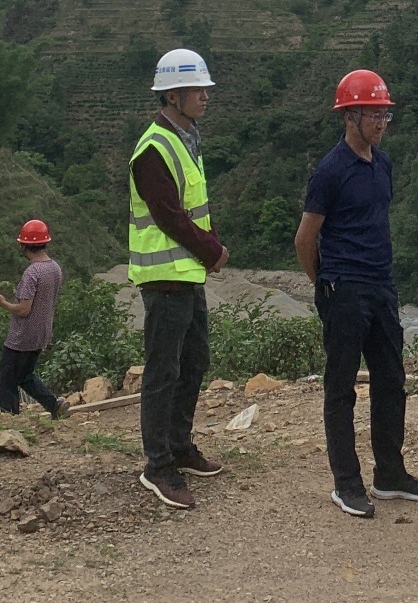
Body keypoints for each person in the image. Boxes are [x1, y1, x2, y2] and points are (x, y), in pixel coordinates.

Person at [296, 69, 418, 519]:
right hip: (345, 288)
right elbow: (305, 238)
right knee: (341, 388)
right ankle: (347, 483)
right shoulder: (330, 170)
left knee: (391, 381)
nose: (381, 122)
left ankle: (389, 473)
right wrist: (324, 283)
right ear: (349, 117)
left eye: (385, 114)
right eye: (374, 114)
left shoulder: (384, 163)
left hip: (382, 286)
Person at [128, 47, 228, 510]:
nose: (205, 95)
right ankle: (158, 464)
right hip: (166, 275)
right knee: (163, 371)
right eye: (197, 89)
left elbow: (193, 210)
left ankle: (180, 445)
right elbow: (169, 216)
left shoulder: (187, 138)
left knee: (193, 362)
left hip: (186, 273)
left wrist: (208, 250)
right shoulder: (154, 148)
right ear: (173, 95)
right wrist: (212, 250)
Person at [0, 218, 68, 420]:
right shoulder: (54, 268)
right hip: (41, 333)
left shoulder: (32, 273)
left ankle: (10, 418)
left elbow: (24, 310)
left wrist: (3, 303)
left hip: (22, 337)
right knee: (25, 376)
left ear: (25, 246)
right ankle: (53, 405)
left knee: (6, 380)